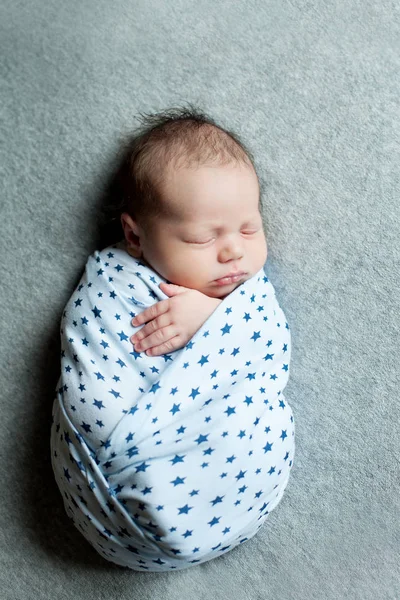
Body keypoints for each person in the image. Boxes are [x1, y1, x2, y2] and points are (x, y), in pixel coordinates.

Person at [50, 106, 295, 572]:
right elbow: (89, 352)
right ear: (134, 236)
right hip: (114, 490)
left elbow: (269, 344)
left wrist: (216, 320)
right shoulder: (112, 284)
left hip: (227, 468)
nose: (234, 250)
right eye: (203, 239)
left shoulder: (246, 298)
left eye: (250, 228)